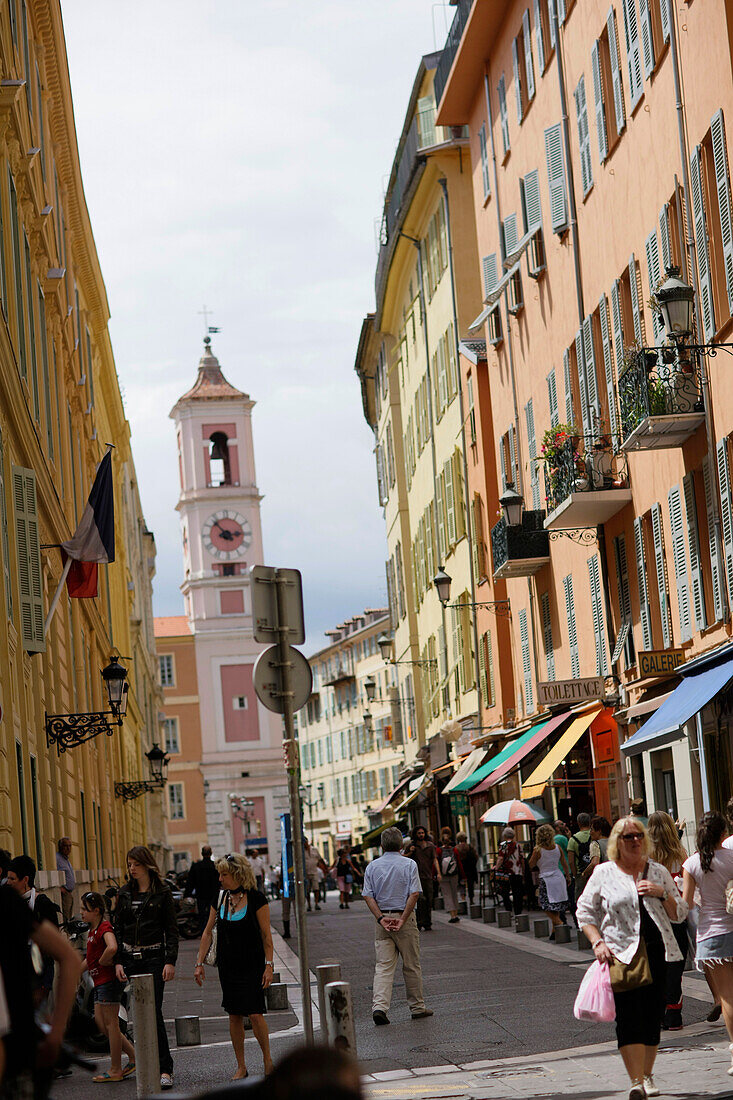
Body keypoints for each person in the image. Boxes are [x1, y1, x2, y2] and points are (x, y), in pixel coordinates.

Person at [577, 816, 687, 1100]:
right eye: (628, 837)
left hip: (658, 951)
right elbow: (584, 912)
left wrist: (662, 893)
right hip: (620, 954)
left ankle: (647, 1075)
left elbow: (680, 914)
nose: (635, 840)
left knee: (652, 1016)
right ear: (617, 841)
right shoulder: (603, 873)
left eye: (639, 835)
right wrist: (597, 942)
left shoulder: (658, 871)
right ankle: (635, 1080)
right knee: (628, 1018)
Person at [195, 853, 274, 1079]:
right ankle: (241, 1066)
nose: (220, 879)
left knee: (256, 1013)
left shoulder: (257, 899)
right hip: (228, 967)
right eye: (219, 874)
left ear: (238, 875)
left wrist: (269, 966)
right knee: (234, 1015)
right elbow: (207, 933)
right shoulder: (219, 899)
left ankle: (267, 1060)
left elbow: (267, 936)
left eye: (224, 874)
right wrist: (198, 963)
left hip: (253, 965)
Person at [0, 883, 81, 1100]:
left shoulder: (7, 901)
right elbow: (69, 957)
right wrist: (56, 1034)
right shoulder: (7, 900)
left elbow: (68, 958)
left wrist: (56, 1033)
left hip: (17, 1065)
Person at [113, 845, 178, 1090]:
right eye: (129, 864)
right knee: (131, 1015)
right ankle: (143, 1063)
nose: (132, 869)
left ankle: (165, 1068)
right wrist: (118, 960)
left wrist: (170, 961)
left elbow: (171, 930)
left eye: (136, 864)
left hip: (154, 957)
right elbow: (118, 928)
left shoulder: (162, 892)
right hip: (130, 957)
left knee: (154, 1012)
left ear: (147, 864)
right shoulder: (125, 893)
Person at [362, 827, 433, 1026]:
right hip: (405, 918)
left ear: (382, 845)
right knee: (411, 964)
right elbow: (415, 893)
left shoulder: (372, 866)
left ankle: (379, 1007)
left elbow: (368, 895)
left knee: (383, 966)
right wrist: (403, 918)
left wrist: (380, 918)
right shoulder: (409, 864)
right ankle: (417, 1007)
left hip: (382, 919)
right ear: (401, 844)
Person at [682, 811, 733, 1076]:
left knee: (727, 998)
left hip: (712, 936)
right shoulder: (732, 857)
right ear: (723, 833)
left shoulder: (692, 864)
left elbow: (687, 905)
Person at [79, 891, 136, 1082]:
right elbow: (90, 959)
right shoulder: (92, 931)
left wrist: (104, 961)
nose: (81, 913)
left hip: (108, 982)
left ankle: (115, 1069)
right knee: (102, 1025)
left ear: (96, 911)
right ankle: (135, 1057)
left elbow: (112, 947)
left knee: (111, 1025)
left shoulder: (104, 927)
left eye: (84, 909)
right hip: (99, 983)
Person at [647, 810, 689, 1031]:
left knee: (656, 964)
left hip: (653, 916)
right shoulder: (680, 853)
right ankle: (674, 1014)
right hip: (675, 914)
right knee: (675, 966)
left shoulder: (646, 855)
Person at [6, 855, 60, 1005]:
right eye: (7, 878)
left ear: (25, 880)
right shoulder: (8, 904)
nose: (8, 883)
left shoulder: (42, 904)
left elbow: (56, 945)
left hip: (40, 972)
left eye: (12, 879)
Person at [528, 823, 570, 938]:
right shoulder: (558, 847)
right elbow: (564, 863)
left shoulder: (538, 850)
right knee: (555, 904)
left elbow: (531, 865)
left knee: (544, 903)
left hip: (546, 879)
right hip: (558, 877)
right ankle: (554, 931)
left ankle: (559, 923)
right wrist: (568, 876)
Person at [406, 825, 440, 931]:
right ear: (415, 835)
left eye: (422, 833)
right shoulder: (412, 846)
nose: (421, 835)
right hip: (416, 878)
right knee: (420, 900)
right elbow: (403, 858)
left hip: (428, 876)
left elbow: (434, 859)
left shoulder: (430, 846)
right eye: (419, 833)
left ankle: (428, 922)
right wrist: (410, 852)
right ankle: (419, 922)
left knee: (429, 899)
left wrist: (438, 873)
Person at [185, 845, 221, 934]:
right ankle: (213, 932)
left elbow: (190, 882)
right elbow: (220, 881)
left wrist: (187, 894)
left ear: (202, 854)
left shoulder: (196, 866)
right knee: (213, 915)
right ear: (211, 853)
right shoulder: (216, 866)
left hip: (201, 895)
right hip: (213, 895)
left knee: (202, 915)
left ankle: (203, 932)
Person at [493, 827, 524, 916]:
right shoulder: (518, 845)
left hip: (505, 872)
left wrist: (496, 868)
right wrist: (523, 870)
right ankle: (518, 912)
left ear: (504, 836)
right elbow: (522, 859)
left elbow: (500, 858)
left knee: (505, 892)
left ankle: (508, 910)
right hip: (517, 871)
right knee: (517, 892)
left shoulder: (503, 845)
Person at [437, 827, 463, 923]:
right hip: (454, 875)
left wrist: (437, 874)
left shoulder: (439, 851)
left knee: (447, 895)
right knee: (454, 893)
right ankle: (456, 913)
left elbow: (436, 863)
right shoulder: (454, 850)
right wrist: (462, 876)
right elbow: (459, 863)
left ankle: (452, 916)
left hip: (443, 876)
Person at [568, 813, 593, 899]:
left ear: (578, 823)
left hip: (581, 872)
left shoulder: (573, 840)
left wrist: (575, 874)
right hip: (595, 870)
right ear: (590, 822)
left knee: (581, 898)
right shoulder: (594, 835)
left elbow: (571, 861)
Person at [582, 816, 612, 886]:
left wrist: (584, 873)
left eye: (592, 830)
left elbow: (594, 863)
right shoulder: (615, 842)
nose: (590, 833)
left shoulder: (595, 844)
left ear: (599, 831)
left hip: (604, 880)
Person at [56, 838, 76, 925]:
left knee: (69, 918)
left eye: (69, 846)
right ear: (60, 847)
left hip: (69, 893)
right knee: (65, 918)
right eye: (65, 846)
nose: (68, 848)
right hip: (64, 893)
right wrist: (60, 888)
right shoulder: (57, 858)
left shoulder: (66, 859)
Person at [455, 833, 478, 906]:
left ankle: (463, 899)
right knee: (471, 884)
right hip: (470, 869)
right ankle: (471, 899)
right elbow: (475, 857)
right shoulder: (470, 847)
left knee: (462, 884)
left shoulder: (456, 848)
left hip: (461, 869)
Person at [303, 840, 326, 912]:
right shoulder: (301, 851)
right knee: (307, 890)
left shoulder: (314, 850)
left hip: (314, 872)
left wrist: (325, 868)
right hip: (306, 873)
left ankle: (316, 903)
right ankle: (309, 904)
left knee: (316, 888)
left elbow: (320, 859)